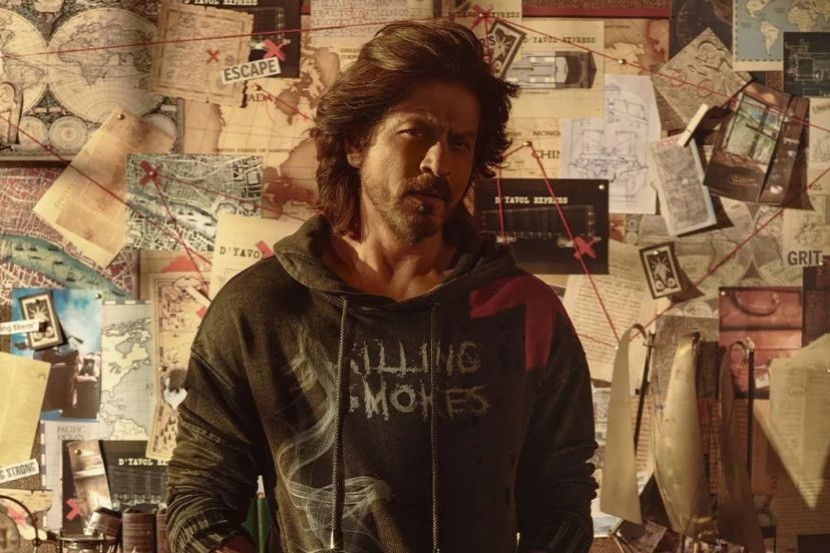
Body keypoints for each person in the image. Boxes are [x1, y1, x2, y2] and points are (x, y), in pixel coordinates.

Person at [166, 20, 597, 553]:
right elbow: (199, 500)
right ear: (355, 143)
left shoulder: (525, 312)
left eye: (460, 143)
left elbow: (562, 497)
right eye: (416, 132)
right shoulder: (260, 310)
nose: (439, 162)